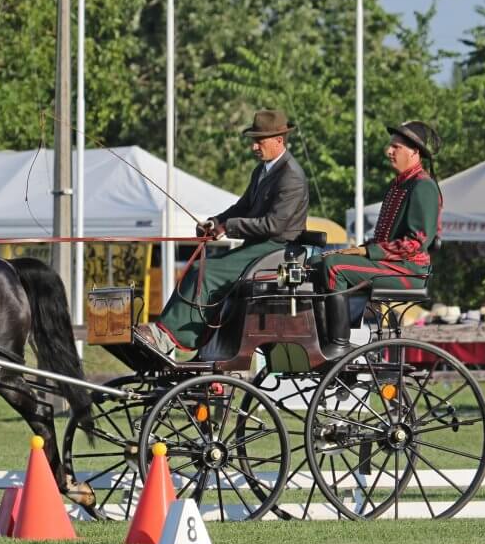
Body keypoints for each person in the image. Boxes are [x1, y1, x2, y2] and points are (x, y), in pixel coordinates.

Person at [140, 109, 310, 354]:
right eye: (253, 141)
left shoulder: (291, 176)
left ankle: (168, 338)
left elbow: (274, 226)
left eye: (258, 141)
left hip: (278, 251)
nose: (253, 147)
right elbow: (242, 206)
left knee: (205, 271)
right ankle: (176, 333)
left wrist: (228, 227)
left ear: (279, 140)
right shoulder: (263, 170)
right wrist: (214, 222)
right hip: (257, 247)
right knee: (198, 267)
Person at [312, 120, 441, 358]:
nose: (388, 151)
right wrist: (358, 249)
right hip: (391, 264)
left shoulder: (423, 187)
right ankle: (317, 337)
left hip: (409, 271)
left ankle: (339, 343)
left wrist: (365, 253)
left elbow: (415, 243)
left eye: (396, 147)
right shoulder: (399, 185)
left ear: (414, 151)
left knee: (335, 267)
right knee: (317, 263)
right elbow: (384, 239)